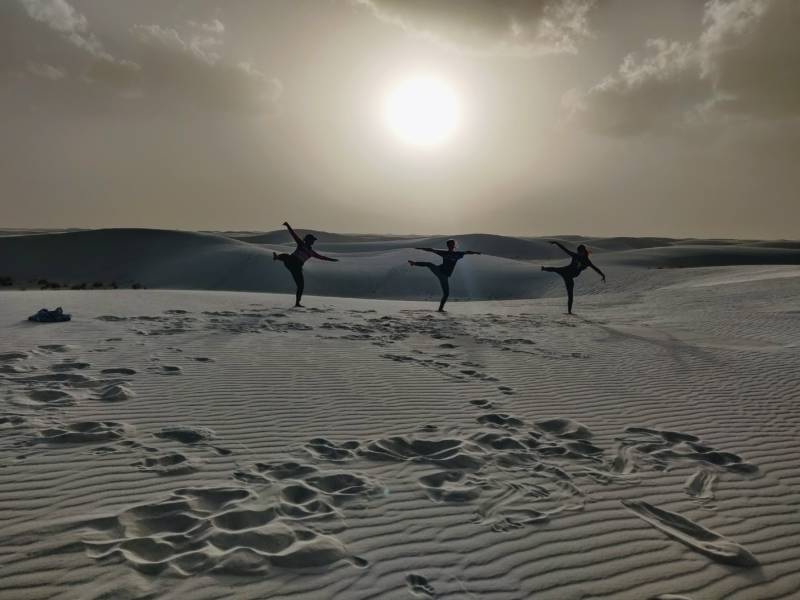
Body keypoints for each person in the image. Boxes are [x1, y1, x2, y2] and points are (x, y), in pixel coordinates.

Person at [274, 222, 338, 307]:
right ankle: (277, 257)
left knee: (301, 286)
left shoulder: (311, 252)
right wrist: (288, 226)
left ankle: (297, 303)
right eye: (312, 240)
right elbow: (293, 234)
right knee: (286, 256)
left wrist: (332, 260)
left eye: (313, 241)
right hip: (291, 262)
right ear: (308, 240)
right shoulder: (301, 245)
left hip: (297, 268)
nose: (313, 242)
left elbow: (321, 257)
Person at [408, 239, 481, 312]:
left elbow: (467, 252)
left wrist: (476, 252)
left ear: (454, 245)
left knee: (446, 294)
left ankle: (440, 309)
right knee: (429, 264)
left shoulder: (458, 254)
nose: (451, 246)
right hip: (439, 271)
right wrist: (420, 248)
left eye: (452, 244)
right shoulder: (445, 253)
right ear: (447, 246)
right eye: (449, 245)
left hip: (444, 276)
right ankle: (414, 263)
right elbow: (431, 250)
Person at [542, 241, 605, 314]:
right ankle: (543, 268)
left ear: (584, 252)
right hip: (565, 271)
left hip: (570, 277)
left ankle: (569, 312)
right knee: (555, 269)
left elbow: (595, 268)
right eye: (578, 252)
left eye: (580, 252)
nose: (579, 253)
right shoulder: (575, 255)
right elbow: (565, 249)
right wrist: (556, 243)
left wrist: (602, 275)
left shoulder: (587, 261)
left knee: (570, 295)